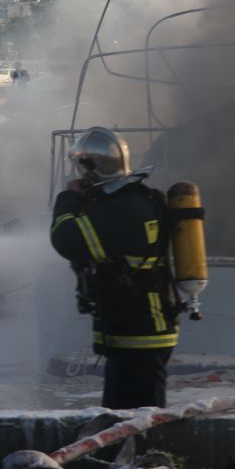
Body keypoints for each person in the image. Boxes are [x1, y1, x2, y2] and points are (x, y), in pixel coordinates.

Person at [49, 126, 179, 409]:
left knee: (135, 422)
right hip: (136, 330)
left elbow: (65, 239)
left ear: (92, 169)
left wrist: (68, 199)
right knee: (122, 417)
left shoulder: (118, 210)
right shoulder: (137, 198)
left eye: (82, 171)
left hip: (139, 333)